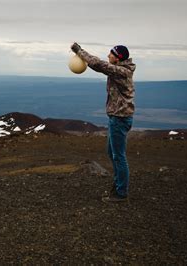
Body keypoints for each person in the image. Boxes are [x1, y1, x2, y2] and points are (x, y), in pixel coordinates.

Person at [71, 42, 136, 202]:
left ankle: (121, 192)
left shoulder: (121, 71)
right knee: (111, 152)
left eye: (111, 54)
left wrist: (79, 51)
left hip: (120, 119)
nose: (108, 56)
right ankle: (118, 185)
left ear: (118, 58)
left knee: (119, 156)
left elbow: (97, 64)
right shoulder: (119, 70)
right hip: (116, 118)